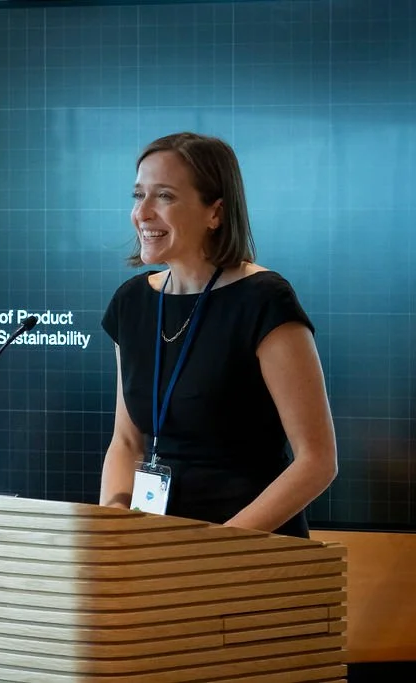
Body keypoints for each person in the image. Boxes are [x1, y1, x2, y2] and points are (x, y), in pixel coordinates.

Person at [99, 132, 337, 538]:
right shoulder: (131, 302)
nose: (143, 212)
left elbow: (317, 461)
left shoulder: (264, 300)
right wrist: (114, 526)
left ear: (215, 212)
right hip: (157, 547)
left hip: (248, 548)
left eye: (165, 196)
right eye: (139, 195)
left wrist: (216, 545)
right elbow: (127, 442)